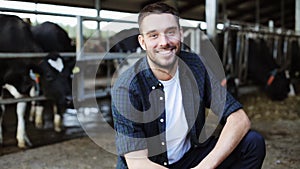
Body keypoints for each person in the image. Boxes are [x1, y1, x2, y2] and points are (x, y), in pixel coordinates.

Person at [111, 2, 266, 169]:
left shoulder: (196, 66)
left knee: (252, 143)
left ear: (181, 34)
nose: (164, 42)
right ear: (142, 42)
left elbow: (239, 119)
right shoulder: (126, 88)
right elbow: (137, 163)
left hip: (190, 158)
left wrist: (205, 166)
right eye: (153, 35)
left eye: (170, 32)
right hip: (151, 165)